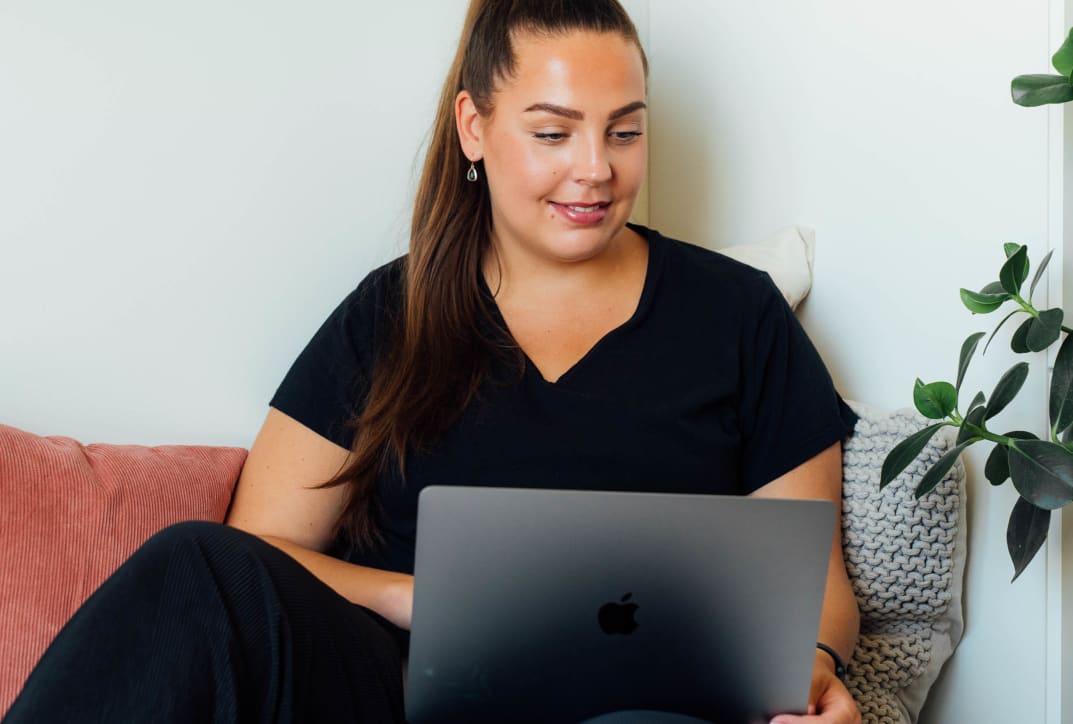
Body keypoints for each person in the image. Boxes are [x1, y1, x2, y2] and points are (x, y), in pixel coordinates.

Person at [5, 1, 862, 722]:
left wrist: (814, 671)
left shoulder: (737, 315)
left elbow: (813, 584)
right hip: (406, 693)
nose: (594, 170)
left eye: (624, 131)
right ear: (474, 128)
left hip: (644, 698)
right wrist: (409, 596)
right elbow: (259, 549)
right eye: (553, 133)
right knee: (194, 563)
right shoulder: (391, 313)